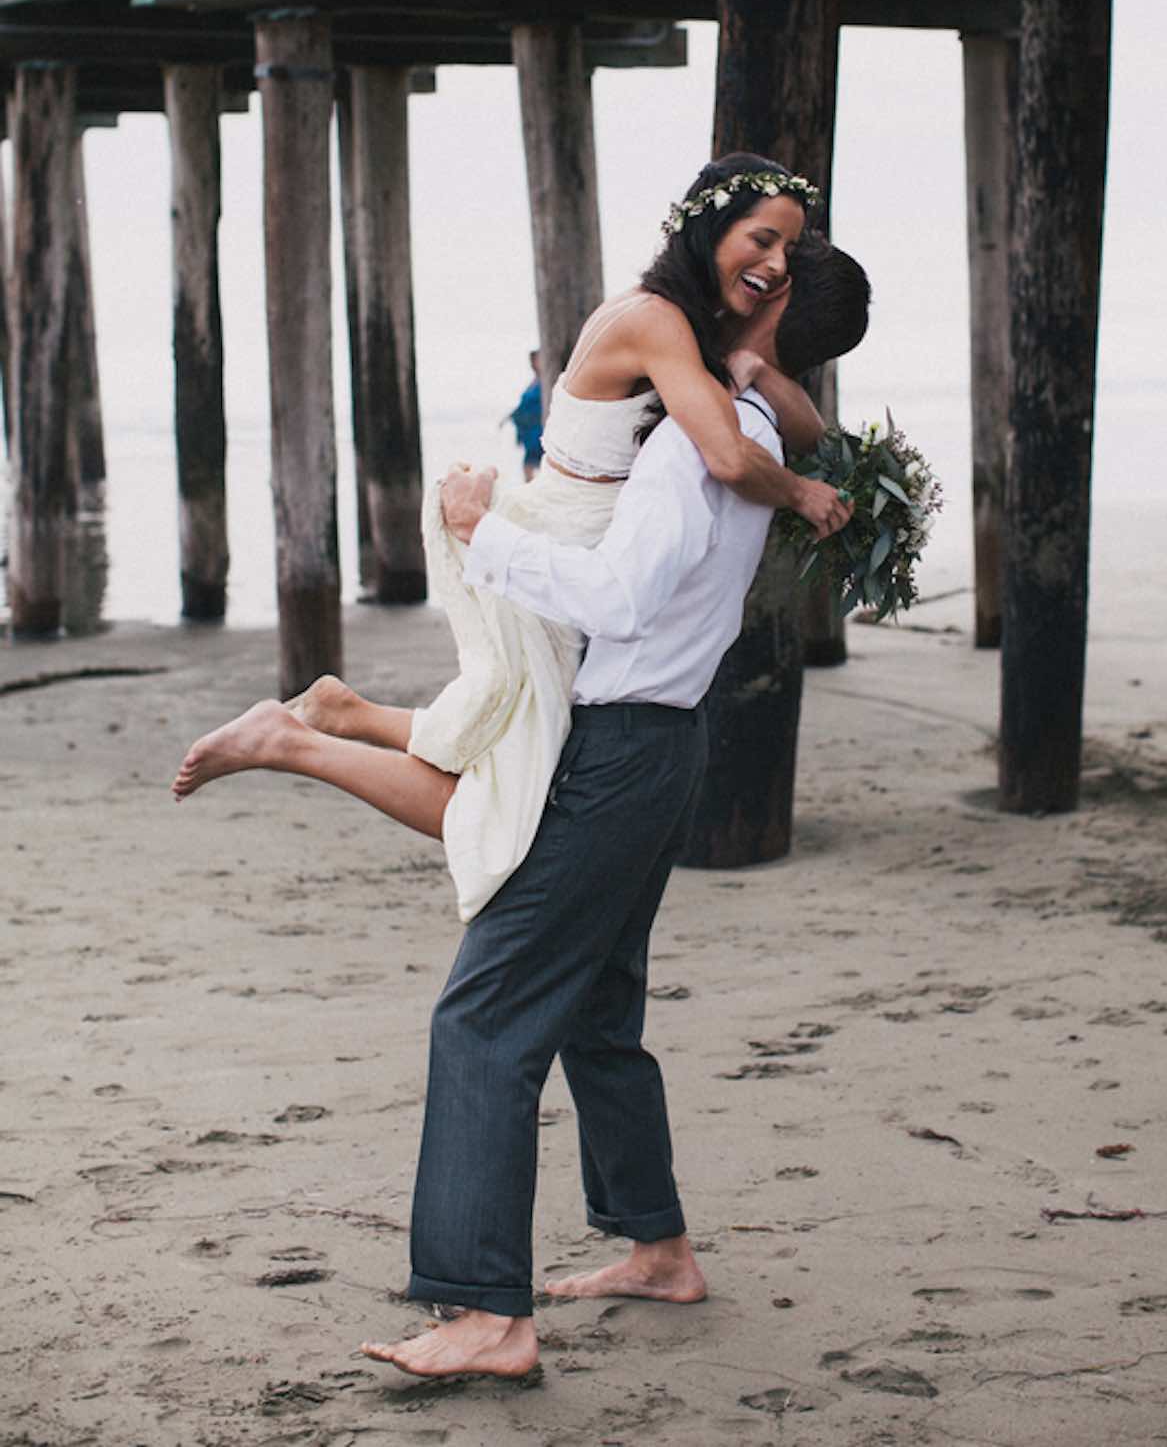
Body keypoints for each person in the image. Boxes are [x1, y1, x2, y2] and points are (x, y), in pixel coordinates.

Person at [355, 234, 871, 1382]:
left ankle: (487, 1317)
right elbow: (775, 434)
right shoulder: (758, 434)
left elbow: (618, 598)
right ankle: (659, 1251)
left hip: (623, 745)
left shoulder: (697, 457)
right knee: (595, 1010)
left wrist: (481, 531)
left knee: (483, 1020)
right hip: (666, 744)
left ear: (770, 314)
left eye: (767, 277)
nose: (744, 280)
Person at [174, 155, 853, 928]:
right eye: (761, 240)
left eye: (787, 255)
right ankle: (286, 741)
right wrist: (800, 492)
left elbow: (807, 428)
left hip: (560, 565)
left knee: (504, 753)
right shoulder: (655, 320)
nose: (772, 265)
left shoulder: (701, 329)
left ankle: (342, 710)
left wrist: (752, 366)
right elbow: (732, 458)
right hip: (534, 560)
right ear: (707, 226)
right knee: (505, 805)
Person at [504, 350, 543, 480]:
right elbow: (523, 404)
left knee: (535, 464)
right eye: (531, 361)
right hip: (529, 430)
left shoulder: (545, 381)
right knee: (529, 465)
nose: (532, 364)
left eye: (535, 360)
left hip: (539, 430)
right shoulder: (534, 381)